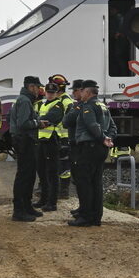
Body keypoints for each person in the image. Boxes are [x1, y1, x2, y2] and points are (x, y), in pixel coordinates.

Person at [66, 79, 117, 227]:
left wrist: (102, 137)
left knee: (84, 183)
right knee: (96, 183)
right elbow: (113, 127)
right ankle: (96, 217)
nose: (79, 93)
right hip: (100, 148)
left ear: (87, 92)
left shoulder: (88, 106)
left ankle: (85, 217)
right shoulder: (103, 106)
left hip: (89, 147)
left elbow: (91, 124)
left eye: (82, 91)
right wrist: (108, 138)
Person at [8, 75, 43, 222]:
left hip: (26, 140)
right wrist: (38, 123)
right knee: (24, 175)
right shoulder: (24, 101)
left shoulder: (25, 100)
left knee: (29, 175)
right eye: (37, 87)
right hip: (24, 140)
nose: (39, 90)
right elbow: (23, 123)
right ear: (31, 87)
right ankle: (19, 210)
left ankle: (27, 206)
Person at [33, 82, 66, 211]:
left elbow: (50, 118)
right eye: (48, 92)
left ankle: (52, 203)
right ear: (45, 92)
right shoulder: (42, 104)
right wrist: (39, 120)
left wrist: (38, 120)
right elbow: (37, 118)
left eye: (53, 93)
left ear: (57, 93)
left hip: (51, 141)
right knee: (41, 172)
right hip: (41, 141)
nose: (50, 95)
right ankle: (43, 199)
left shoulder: (58, 105)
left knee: (52, 173)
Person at [63, 78, 84, 217]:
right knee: (78, 179)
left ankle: (84, 208)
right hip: (76, 144)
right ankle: (82, 206)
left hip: (78, 145)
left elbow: (66, 121)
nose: (73, 93)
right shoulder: (78, 105)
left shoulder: (79, 106)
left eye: (75, 90)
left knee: (81, 178)